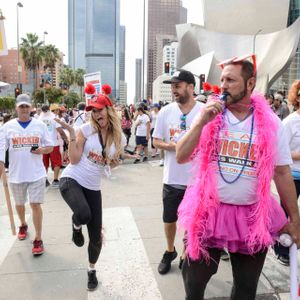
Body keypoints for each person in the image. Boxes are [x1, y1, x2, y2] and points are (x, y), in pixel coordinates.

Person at [176, 56, 300, 299]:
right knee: (194, 279)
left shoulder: (272, 123)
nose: (223, 85)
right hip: (209, 212)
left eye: (230, 80)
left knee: (245, 289)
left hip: (251, 214)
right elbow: (181, 155)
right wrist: (201, 122)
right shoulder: (207, 116)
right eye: (221, 79)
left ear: (250, 83)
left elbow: (282, 172)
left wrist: (295, 219)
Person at [56, 90, 125, 291]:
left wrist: (113, 162)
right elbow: (75, 158)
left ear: (109, 110)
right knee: (83, 214)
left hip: (93, 186)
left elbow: (112, 163)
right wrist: (71, 134)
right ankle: (76, 225)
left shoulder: (118, 137)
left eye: (99, 110)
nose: (96, 115)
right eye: (93, 111)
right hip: (72, 179)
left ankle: (91, 270)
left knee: (95, 237)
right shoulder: (86, 129)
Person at [152, 70, 204, 275]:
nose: (173, 89)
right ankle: (169, 250)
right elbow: (155, 141)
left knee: (191, 221)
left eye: (178, 85)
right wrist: (174, 147)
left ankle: (185, 253)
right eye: (172, 85)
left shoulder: (203, 111)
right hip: (172, 178)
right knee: (169, 219)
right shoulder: (166, 112)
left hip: (196, 180)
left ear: (191, 87)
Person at [0, 94, 53, 256]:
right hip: (16, 174)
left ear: (31, 108)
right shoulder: (7, 127)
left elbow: (50, 146)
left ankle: (38, 238)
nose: (24, 109)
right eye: (21, 106)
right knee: (19, 204)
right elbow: (2, 148)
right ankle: (23, 224)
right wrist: (1, 164)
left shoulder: (40, 125)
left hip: (36, 174)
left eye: (26, 106)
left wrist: (42, 150)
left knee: (35, 204)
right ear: (16, 108)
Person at [274, 80, 300, 266]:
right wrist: (298, 155)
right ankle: (282, 249)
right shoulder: (290, 122)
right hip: (292, 176)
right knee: (286, 214)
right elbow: (279, 153)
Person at [39, 104, 68, 187]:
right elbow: (60, 130)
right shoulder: (54, 118)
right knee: (56, 162)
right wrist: (66, 139)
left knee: (44, 163)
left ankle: (44, 180)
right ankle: (55, 180)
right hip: (53, 144)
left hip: (43, 145)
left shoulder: (39, 119)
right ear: (49, 109)